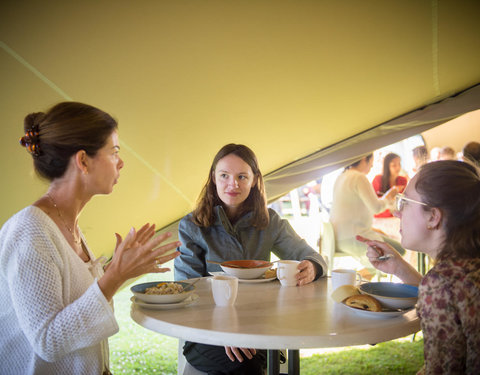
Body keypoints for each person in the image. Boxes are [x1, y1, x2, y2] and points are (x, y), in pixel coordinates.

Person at [0, 102, 180, 374]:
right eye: (114, 151)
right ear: (83, 160)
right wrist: (115, 276)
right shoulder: (29, 230)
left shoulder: (66, 223)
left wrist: (120, 267)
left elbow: (74, 304)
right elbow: (48, 342)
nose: (121, 162)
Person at [174, 143, 327, 375]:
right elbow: (188, 290)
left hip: (258, 326)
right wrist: (223, 329)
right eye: (224, 175)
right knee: (245, 365)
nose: (232, 184)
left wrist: (314, 267)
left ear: (254, 179)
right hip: (206, 328)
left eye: (241, 176)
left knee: (247, 362)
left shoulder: (269, 221)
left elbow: (311, 256)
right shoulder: (192, 226)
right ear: (213, 178)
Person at [363, 160, 480, 374]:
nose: (397, 213)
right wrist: (400, 268)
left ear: (433, 217)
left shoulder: (442, 283)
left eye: (404, 202)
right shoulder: (468, 266)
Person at [329, 154, 405, 275]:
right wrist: (389, 196)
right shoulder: (359, 177)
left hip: (337, 237)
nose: (372, 165)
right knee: (398, 251)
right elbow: (376, 207)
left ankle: (356, 281)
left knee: (392, 247)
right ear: (364, 159)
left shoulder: (342, 176)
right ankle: (355, 283)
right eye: (371, 162)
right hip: (353, 236)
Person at [371, 152, 408, 218]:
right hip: (381, 216)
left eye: (399, 164)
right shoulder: (378, 179)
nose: (398, 168)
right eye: (394, 165)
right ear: (387, 167)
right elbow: (373, 205)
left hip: (398, 216)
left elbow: (405, 203)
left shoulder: (403, 180)